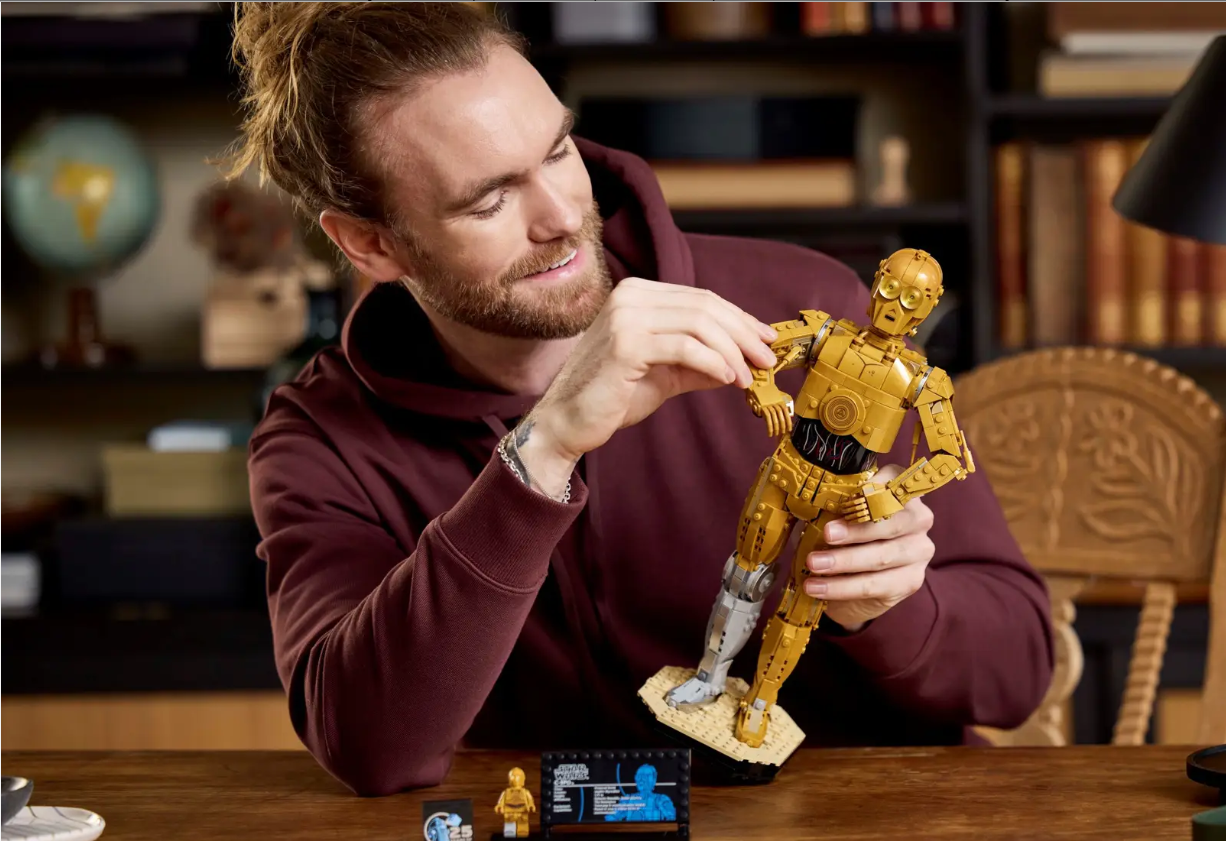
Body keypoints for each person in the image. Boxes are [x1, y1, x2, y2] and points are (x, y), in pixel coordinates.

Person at [227, 2, 1054, 797]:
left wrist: (889, 611)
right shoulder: (319, 438)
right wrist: (538, 455)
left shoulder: (805, 301)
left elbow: (1017, 669)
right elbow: (368, 747)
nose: (560, 216)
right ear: (370, 244)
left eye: (557, 151)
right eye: (488, 199)